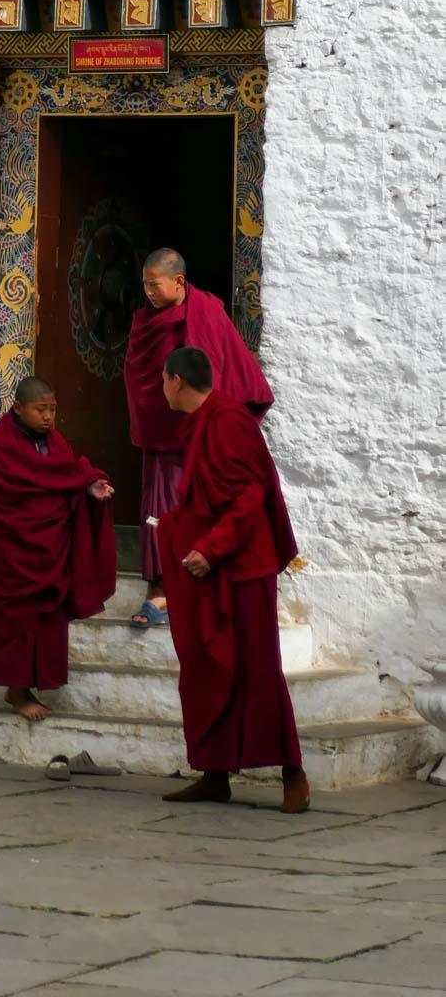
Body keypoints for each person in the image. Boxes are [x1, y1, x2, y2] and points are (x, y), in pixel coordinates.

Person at [156, 346, 309, 813]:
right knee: (206, 665)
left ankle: (292, 772)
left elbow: (249, 494)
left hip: (243, 567)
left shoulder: (227, 421)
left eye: (163, 380)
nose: (162, 388)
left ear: (176, 381)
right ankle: (214, 772)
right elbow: (209, 497)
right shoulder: (202, 423)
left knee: (258, 670)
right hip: (215, 564)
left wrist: (211, 547)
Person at [123, 247, 274, 630]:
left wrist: (217, 421)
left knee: (199, 506)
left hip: (200, 435)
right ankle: (159, 587)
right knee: (160, 507)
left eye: (155, 285)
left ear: (178, 281)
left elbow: (228, 365)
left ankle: (195, 581)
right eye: (145, 286)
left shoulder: (208, 313)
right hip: (163, 435)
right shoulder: (145, 321)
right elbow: (139, 377)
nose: (149, 293)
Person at [0, 376, 116, 721]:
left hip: (50, 551)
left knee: (48, 618)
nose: (48, 417)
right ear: (18, 408)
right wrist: (14, 532)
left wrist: (90, 490)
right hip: (15, 552)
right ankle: (17, 691)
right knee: (16, 619)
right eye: (40, 410)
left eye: (52, 410)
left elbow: (68, 478)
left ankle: (29, 684)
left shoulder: (57, 443)